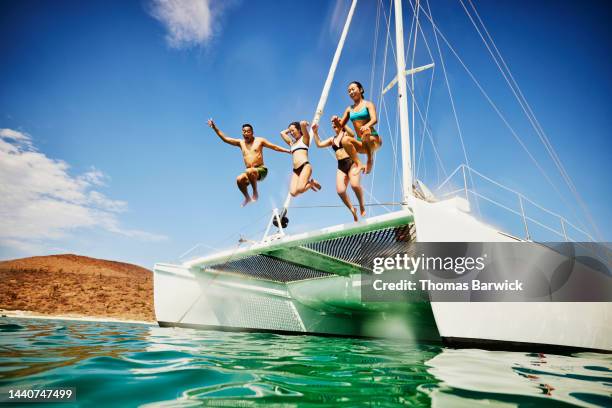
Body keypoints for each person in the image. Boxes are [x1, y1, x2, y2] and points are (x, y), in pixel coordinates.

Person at [207, 119, 290, 207]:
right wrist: (214, 128)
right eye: (244, 132)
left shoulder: (260, 140)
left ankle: (255, 192)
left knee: (249, 171)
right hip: (249, 172)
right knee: (239, 179)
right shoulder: (240, 143)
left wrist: (288, 151)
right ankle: (247, 198)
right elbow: (225, 139)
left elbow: (274, 147)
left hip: (261, 170)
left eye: (248, 132)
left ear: (252, 132)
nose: (246, 133)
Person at [312, 119, 366, 222]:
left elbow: (352, 134)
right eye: (333, 125)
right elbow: (319, 144)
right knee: (340, 191)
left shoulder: (346, 135)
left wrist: (342, 123)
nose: (334, 125)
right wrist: (315, 132)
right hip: (341, 166)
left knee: (354, 185)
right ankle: (352, 209)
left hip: (351, 162)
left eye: (336, 124)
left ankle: (361, 205)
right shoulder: (332, 139)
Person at [333, 81, 382, 174]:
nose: (351, 92)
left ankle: (369, 160)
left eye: (353, 89)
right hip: (362, 145)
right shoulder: (349, 109)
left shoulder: (368, 104)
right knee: (345, 140)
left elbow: (374, 119)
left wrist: (366, 125)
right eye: (349, 91)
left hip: (374, 140)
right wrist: (336, 121)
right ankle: (359, 164)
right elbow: (341, 126)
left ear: (361, 90)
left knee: (366, 132)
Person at [280, 121, 321, 197]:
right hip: (296, 170)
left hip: (305, 166)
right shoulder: (292, 143)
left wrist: (303, 124)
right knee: (293, 193)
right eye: (290, 132)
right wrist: (289, 129)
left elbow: (302, 124)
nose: (291, 133)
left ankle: (312, 183)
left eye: (293, 130)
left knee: (300, 189)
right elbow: (282, 133)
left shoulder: (305, 139)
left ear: (299, 130)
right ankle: (310, 183)